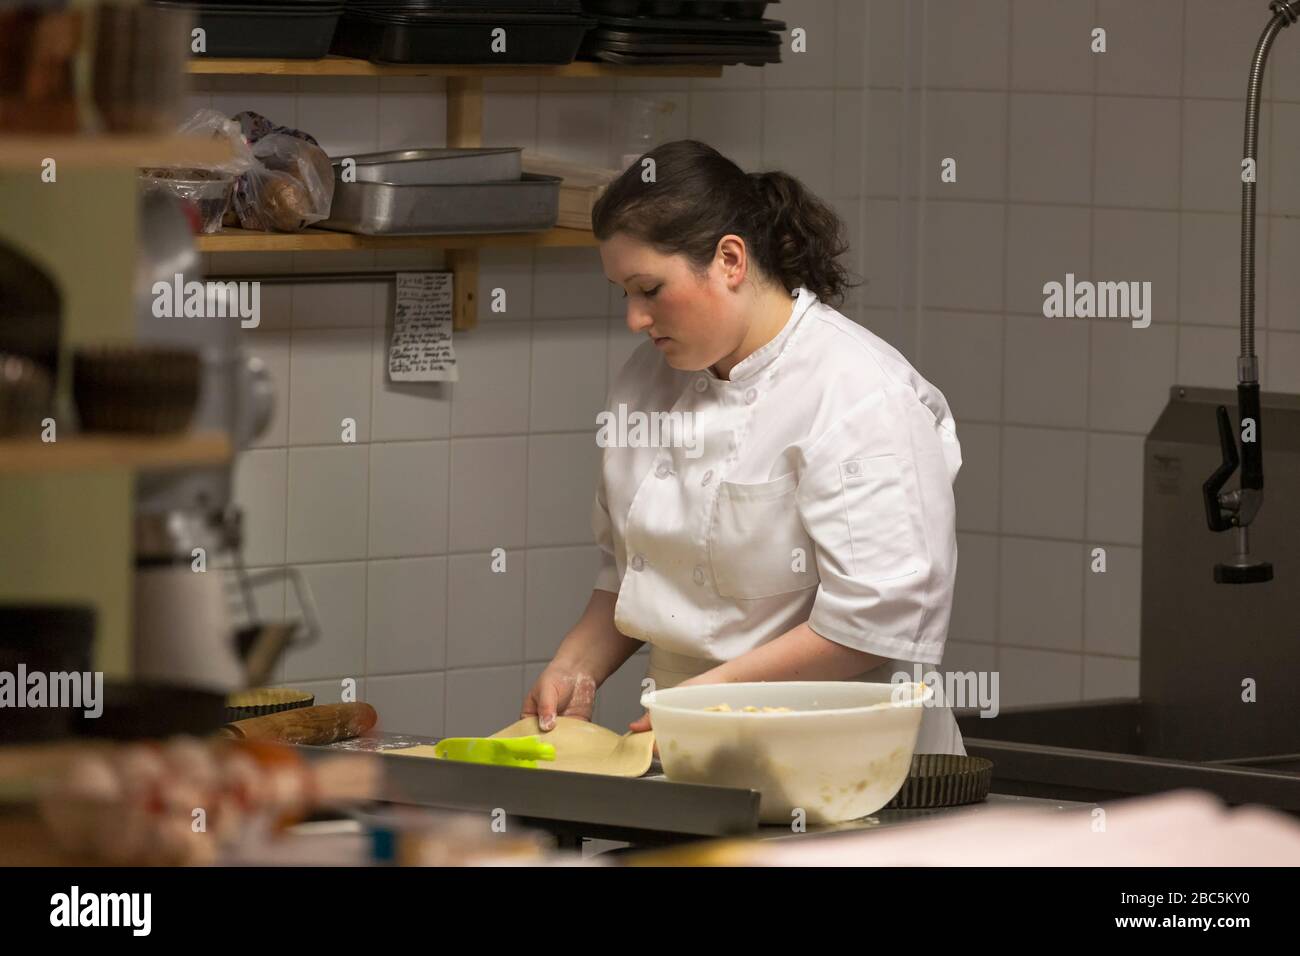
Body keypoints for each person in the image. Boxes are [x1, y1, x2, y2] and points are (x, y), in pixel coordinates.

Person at [520, 139, 965, 755]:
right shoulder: (644, 379)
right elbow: (630, 570)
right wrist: (577, 665)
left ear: (730, 259)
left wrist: (703, 700)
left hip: (847, 749)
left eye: (649, 288)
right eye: (624, 293)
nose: (635, 318)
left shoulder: (861, 392)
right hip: (689, 734)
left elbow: (871, 626)